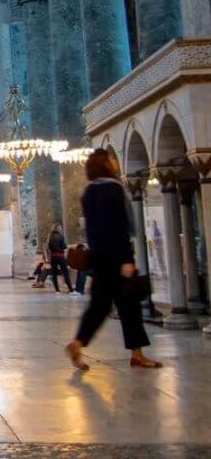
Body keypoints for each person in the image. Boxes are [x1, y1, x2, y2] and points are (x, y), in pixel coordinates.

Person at [66, 149, 161, 371]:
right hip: (117, 256)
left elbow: (90, 228)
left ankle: (78, 343)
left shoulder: (88, 192)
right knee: (130, 307)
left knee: (99, 306)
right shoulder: (114, 188)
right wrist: (126, 259)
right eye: (111, 160)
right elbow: (120, 225)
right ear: (106, 164)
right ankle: (137, 355)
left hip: (98, 257)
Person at [48, 224, 73, 293]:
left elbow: (49, 247)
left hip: (53, 256)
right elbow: (64, 246)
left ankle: (57, 290)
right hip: (60, 256)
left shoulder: (50, 237)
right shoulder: (61, 236)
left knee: (54, 273)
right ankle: (70, 289)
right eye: (61, 228)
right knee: (65, 273)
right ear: (58, 228)